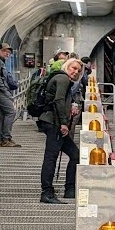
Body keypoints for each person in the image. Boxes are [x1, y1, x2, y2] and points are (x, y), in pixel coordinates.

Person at [38, 57, 82, 204]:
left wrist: (70, 108)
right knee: (51, 157)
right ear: (67, 66)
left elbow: (60, 100)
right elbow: (58, 100)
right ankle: (47, 193)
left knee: (75, 154)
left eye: (78, 71)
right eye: (73, 68)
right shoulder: (63, 79)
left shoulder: (61, 78)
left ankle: (69, 190)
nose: (75, 72)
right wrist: (63, 123)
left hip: (52, 121)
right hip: (54, 123)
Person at [0, 43, 20, 148]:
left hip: (0, 91)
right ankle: (6, 139)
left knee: (1, 116)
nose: (7, 54)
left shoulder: (0, 62)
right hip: (0, 92)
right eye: (5, 51)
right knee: (11, 112)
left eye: (9, 52)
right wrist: (4, 90)